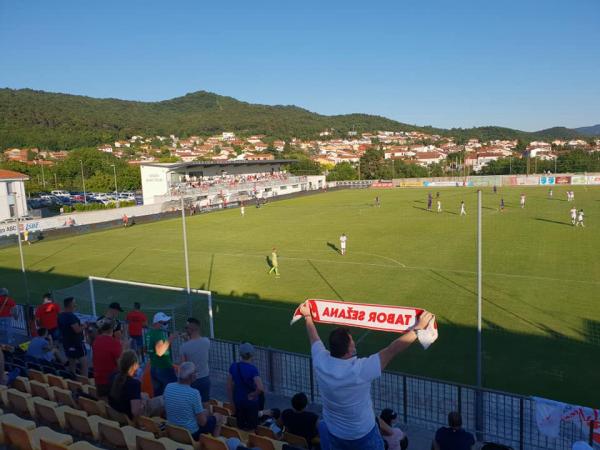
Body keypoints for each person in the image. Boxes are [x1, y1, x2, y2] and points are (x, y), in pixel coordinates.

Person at [298, 301, 433, 450]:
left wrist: (307, 316)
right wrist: (417, 329)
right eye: (352, 343)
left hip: (334, 433)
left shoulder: (320, 360)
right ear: (348, 351)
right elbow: (392, 350)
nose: (354, 345)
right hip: (362, 435)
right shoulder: (359, 370)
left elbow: (314, 338)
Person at [164, 361, 224, 439]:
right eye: (195, 372)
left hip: (173, 430)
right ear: (192, 376)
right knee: (218, 416)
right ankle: (215, 442)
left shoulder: (168, 386)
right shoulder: (194, 393)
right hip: (191, 434)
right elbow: (202, 423)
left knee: (205, 411)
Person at [109, 350, 163, 420]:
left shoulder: (113, 376)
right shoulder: (134, 384)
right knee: (163, 400)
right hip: (132, 418)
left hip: (119, 414)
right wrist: (143, 403)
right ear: (134, 365)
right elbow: (136, 412)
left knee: (145, 395)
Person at [228, 342, 265, 431]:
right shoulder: (253, 369)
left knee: (241, 427)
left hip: (238, 401)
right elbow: (260, 388)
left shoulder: (233, 366)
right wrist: (253, 394)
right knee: (251, 428)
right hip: (250, 404)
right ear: (252, 354)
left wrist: (232, 403)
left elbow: (229, 386)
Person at [145, 312, 177, 396]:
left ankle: (158, 408)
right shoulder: (158, 334)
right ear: (157, 323)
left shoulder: (148, 333)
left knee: (158, 394)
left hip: (154, 367)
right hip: (164, 367)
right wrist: (170, 339)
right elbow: (160, 352)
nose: (166, 324)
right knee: (172, 393)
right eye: (164, 323)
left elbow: (146, 350)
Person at [181, 317, 211, 404]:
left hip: (192, 380)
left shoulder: (184, 347)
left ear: (191, 329)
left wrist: (186, 341)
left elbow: (184, 365)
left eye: (186, 328)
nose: (185, 330)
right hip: (205, 378)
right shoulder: (206, 341)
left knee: (193, 404)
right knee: (206, 403)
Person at [92, 318, 123, 398]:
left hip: (98, 379)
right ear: (111, 329)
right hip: (111, 381)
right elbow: (121, 366)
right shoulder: (114, 343)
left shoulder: (96, 340)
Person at [58, 297, 88, 376]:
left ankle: (73, 381)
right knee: (84, 364)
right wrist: (84, 326)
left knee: (72, 363)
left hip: (67, 343)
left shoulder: (61, 315)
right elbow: (77, 330)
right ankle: (85, 383)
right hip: (76, 343)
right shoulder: (71, 316)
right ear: (70, 305)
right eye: (74, 302)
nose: (76, 304)